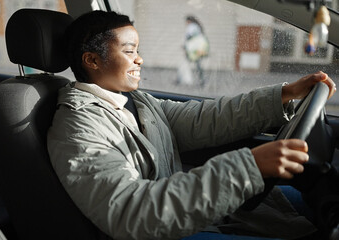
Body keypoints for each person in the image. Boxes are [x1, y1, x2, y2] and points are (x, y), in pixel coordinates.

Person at [47, 10, 338, 240]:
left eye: (138, 49)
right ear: (92, 60)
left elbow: (206, 118)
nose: (140, 58)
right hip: (158, 230)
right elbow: (128, 212)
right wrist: (248, 167)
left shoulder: (136, 102)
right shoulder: (78, 127)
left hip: (181, 215)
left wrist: (282, 96)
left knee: (301, 203)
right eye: (129, 51)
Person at [178, 15, 209, 86]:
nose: (185, 23)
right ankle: (202, 80)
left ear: (189, 21)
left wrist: (185, 46)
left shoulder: (191, 27)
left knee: (185, 63)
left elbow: (189, 37)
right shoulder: (197, 27)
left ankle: (180, 80)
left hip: (192, 49)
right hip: (198, 48)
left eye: (186, 21)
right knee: (197, 64)